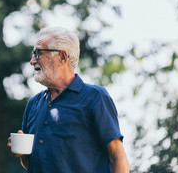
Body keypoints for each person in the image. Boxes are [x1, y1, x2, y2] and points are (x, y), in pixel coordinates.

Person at [7, 27, 129, 173]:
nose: (32, 61)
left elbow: (117, 156)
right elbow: (31, 163)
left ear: (62, 57)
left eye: (38, 53)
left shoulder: (95, 97)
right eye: (33, 54)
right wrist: (20, 153)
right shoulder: (33, 104)